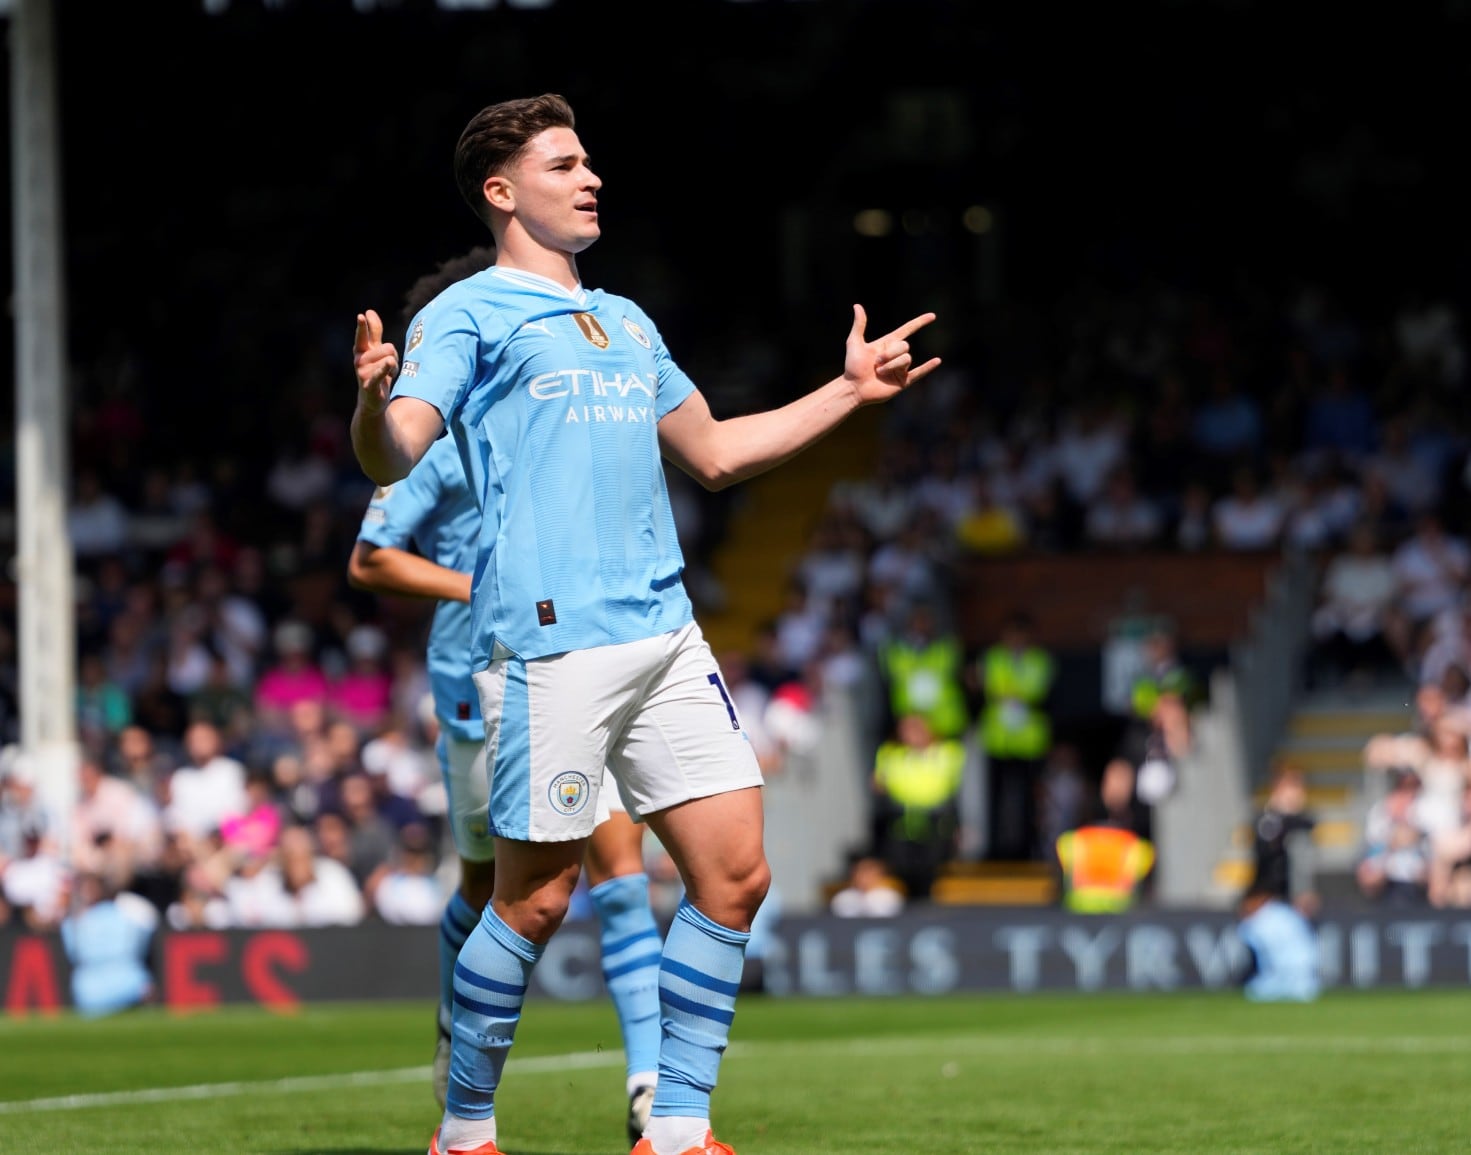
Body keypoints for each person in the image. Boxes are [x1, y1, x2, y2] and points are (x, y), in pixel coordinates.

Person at [350, 92, 939, 1155]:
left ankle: (676, 1128)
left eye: (589, 163)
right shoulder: (468, 314)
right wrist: (369, 402)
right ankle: (465, 1131)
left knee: (735, 874)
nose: (591, 177)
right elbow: (397, 447)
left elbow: (714, 453)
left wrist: (846, 394)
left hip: (665, 632)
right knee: (534, 903)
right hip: (551, 642)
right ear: (502, 191)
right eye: (565, 163)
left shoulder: (626, 320)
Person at [347, 252, 664, 1138]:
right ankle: (460, 1042)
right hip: (474, 682)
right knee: (490, 885)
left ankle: (648, 1083)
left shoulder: (548, 409)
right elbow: (368, 559)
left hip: (571, 656)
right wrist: (482, 581)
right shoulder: (435, 439)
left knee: (618, 864)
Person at [1235, 883, 1321, 1003]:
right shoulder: (1288, 913)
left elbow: (1245, 937)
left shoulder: (1259, 920)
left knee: (1252, 992)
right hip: (1305, 981)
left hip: (1280, 977)